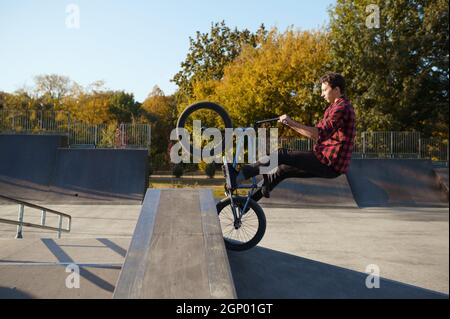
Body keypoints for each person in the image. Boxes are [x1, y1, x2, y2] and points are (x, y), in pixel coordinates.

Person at [227, 72, 356, 202]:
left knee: (282, 154)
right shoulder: (333, 108)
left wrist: (292, 122)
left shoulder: (342, 108)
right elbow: (315, 135)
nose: (322, 94)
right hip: (326, 161)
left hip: (328, 163)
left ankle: (240, 175)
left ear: (337, 89)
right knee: (282, 170)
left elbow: (317, 133)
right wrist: (290, 124)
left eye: (324, 90)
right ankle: (248, 203)